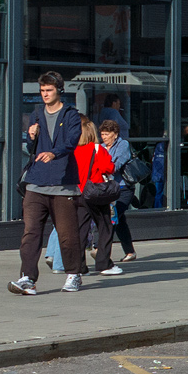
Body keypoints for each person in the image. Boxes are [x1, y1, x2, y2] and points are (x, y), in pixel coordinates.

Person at [10, 72, 84, 295]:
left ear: (59, 90)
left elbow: (72, 140)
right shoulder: (36, 115)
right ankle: (27, 278)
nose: (45, 95)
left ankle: (73, 274)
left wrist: (54, 153)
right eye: (42, 91)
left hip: (62, 185)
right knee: (31, 232)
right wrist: (30, 135)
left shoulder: (70, 114)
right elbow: (31, 147)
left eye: (49, 90)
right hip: (36, 183)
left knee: (67, 234)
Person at [74, 116, 121, 276]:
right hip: (95, 192)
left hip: (77, 193)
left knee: (81, 229)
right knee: (106, 226)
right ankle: (103, 263)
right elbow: (109, 167)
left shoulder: (73, 150)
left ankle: (79, 267)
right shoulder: (97, 149)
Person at [100, 120, 137, 263]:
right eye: (102, 134)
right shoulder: (102, 147)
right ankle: (130, 251)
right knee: (120, 221)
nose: (104, 137)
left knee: (113, 217)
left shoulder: (123, 145)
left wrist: (102, 166)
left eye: (107, 134)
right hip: (108, 188)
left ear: (115, 134)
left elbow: (116, 165)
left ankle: (100, 249)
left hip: (123, 188)